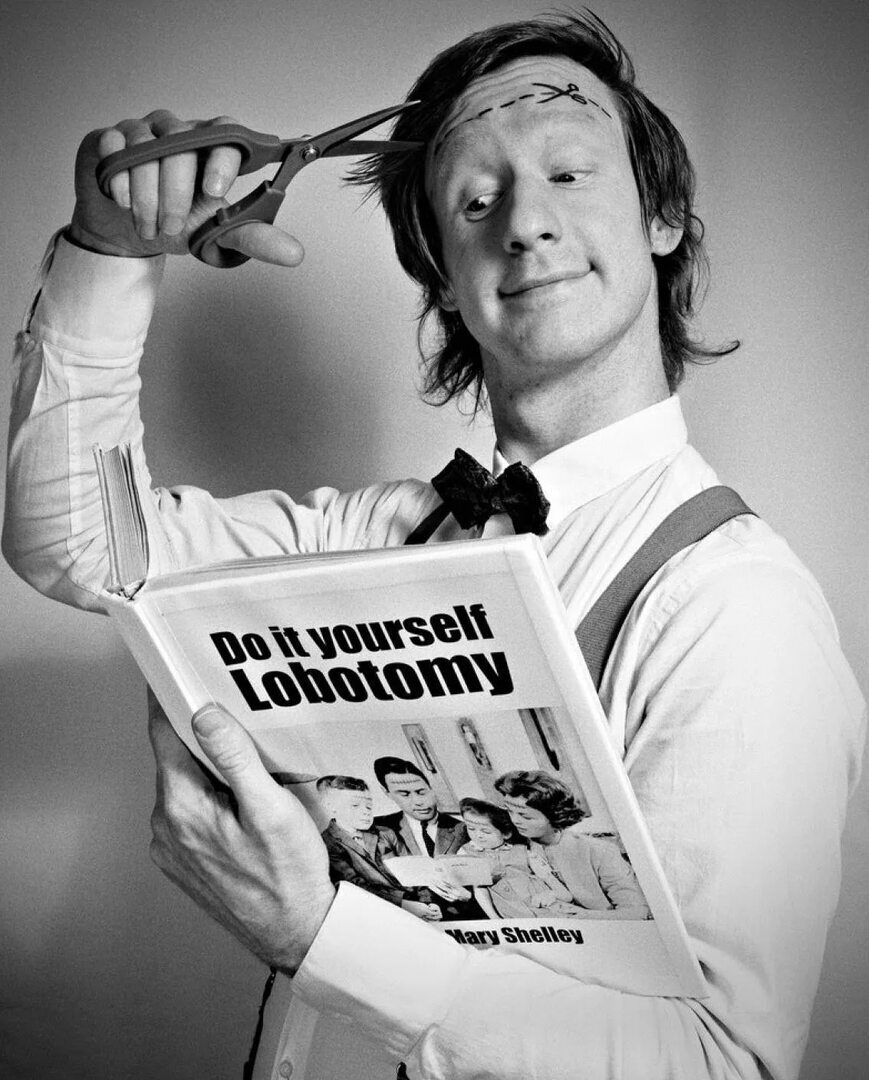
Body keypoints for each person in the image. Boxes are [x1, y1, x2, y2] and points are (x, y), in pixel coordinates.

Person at [3, 10, 865, 1080]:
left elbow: (721, 1063)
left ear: (663, 219)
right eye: (474, 200)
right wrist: (108, 252)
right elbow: (80, 545)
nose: (525, 223)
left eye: (568, 172)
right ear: (442, 274)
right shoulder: (376, 533)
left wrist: (316, 935)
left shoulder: (735, 607)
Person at [494, 771, 650, 918]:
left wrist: (583, 917)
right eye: (510, 811)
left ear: (553, 815)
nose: (515, 821)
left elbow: (636, 912)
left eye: (526, 816)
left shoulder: (599, 851)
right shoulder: (512, 846)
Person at [373, 755, 484, 919]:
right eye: (404, 794)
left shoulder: (467, 830)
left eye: (421, 792)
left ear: (431, 787)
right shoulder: (377, 830)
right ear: (386, 793)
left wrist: (469, 896)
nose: (418, 801)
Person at [318, 776, 442, 922]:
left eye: (369, 806)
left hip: (418, 905)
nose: (366, 812)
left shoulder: (386, 833)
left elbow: (415, 871)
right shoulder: (327, 844)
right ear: (332, 807)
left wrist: (428, 902)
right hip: (380, 912)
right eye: (355, 805)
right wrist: (405, 905)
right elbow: (356, 887)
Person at [456, 795, 584, 919]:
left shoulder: (523, 851)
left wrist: (552, 894)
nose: (478, 835)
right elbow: (479, 891)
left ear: (506, 833)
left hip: (552, 911)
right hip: (515, 919)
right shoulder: (468, 854)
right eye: (471, 828)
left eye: (486, 831)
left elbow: (562, 891)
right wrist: (495, 919)